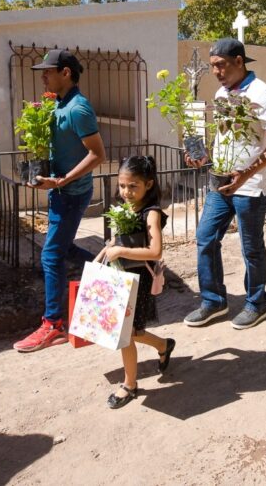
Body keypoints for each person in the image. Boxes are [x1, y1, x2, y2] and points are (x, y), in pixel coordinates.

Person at [184, 39, 266, 330]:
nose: (215, 71)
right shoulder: (221, 94)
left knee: (250, 247)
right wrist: (205, 154)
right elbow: (225, 136)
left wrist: (245, 173)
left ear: (239, 61)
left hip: (251, 186)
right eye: (212, 65)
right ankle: (214, 300)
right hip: (221, 180)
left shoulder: (262, 94)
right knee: (205, 238)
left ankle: (256, 303)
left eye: (220, 65)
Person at [14, 49, 106, 352]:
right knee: (63, 248)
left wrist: (62, 180)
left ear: (66, 73)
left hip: (72, 193)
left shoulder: (78, 108)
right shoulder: (57, 104)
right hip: (58, 191)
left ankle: (52, 325)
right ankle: (105, 273)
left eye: (48, 71)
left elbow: (97, 155)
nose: (43, 76)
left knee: (50, 256)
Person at [99, 156, 175, 409]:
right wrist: (109, 249)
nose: (126, 192)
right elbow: (120, 240)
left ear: (149, 184)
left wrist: (121, 252)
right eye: (122, 186)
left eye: (133, 186)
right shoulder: (124, 208)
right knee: (133, 331)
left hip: (138, 281)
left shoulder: (150, 213)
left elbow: (155, 252)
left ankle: (129, 385)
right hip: (120, 277)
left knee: (127, 334)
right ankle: (163, 345)